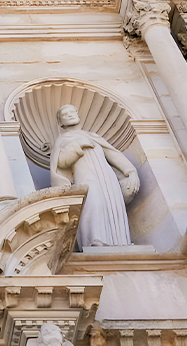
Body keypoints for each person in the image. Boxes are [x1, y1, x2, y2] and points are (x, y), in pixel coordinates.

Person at [49, 103, 139, 249]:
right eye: (65, 114)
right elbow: (61, 163)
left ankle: (120, 241)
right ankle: (94, 239)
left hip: (107, 177)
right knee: (93, 204)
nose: (70, 115)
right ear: (61, 123)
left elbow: (113, 155)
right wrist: (79, 146)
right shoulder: (62, 140)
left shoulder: (93, 136)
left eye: (73, 112)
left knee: (111, 204)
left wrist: (130, 172)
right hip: (85, 177)